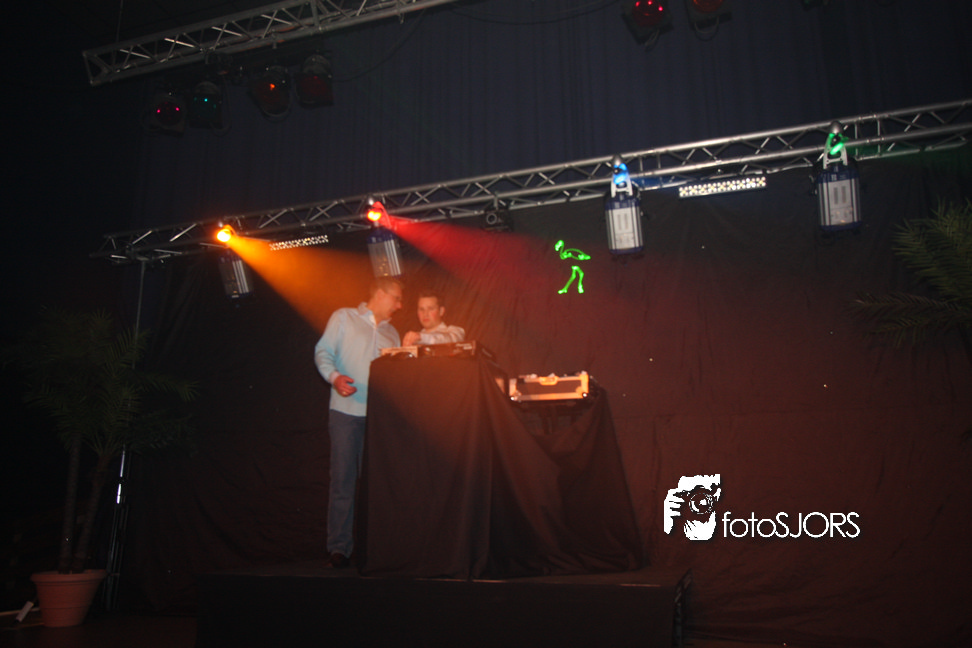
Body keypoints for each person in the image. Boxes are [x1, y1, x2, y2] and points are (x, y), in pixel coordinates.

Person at [314, 276, 403, 568]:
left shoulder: (393, 333)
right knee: (343, 481)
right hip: (345, 414)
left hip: (378, 419)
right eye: (396, 298)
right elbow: (323, 352)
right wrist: (335, 377)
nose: (400, 305)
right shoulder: (344, 317)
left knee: (376, 485)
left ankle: (375, 547)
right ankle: (339, 548)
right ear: (380, 294)